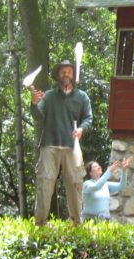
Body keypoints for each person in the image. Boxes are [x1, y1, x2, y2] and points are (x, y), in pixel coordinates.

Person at [30, 60, 93, 226]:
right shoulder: (49, 96)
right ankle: (40, 223)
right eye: (63, 72)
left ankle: (77, 224)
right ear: (58, 76)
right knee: (45, 182)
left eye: (69, 72)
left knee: (75, 183)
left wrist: (81, 129)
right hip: (49, 145)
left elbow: (88, 118)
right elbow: (38, 116)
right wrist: (34, 104)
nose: (66, 74)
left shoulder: (82, 97)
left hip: (72, 147)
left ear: (73, 75)